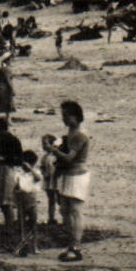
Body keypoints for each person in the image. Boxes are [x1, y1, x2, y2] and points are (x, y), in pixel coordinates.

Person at [42, 100, 90, 261]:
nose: (63, 119)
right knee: (65, 211)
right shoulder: (71, 132)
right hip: (68, 175)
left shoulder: (79, 135)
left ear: (75, 117)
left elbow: (70, 158)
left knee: (75, 212)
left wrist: (53, 150)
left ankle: (76, 247)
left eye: (66, 116)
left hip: (77, 176)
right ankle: (71, 244)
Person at [13, 149, 43, 256]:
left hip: (31, 199)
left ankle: (34, 246)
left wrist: (31, 169)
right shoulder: (18, 173)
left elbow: (38, 178)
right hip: (21, 199)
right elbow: (15, 187)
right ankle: (23, 245)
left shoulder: (35, 172)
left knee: (33, 224)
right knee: (21, 224)